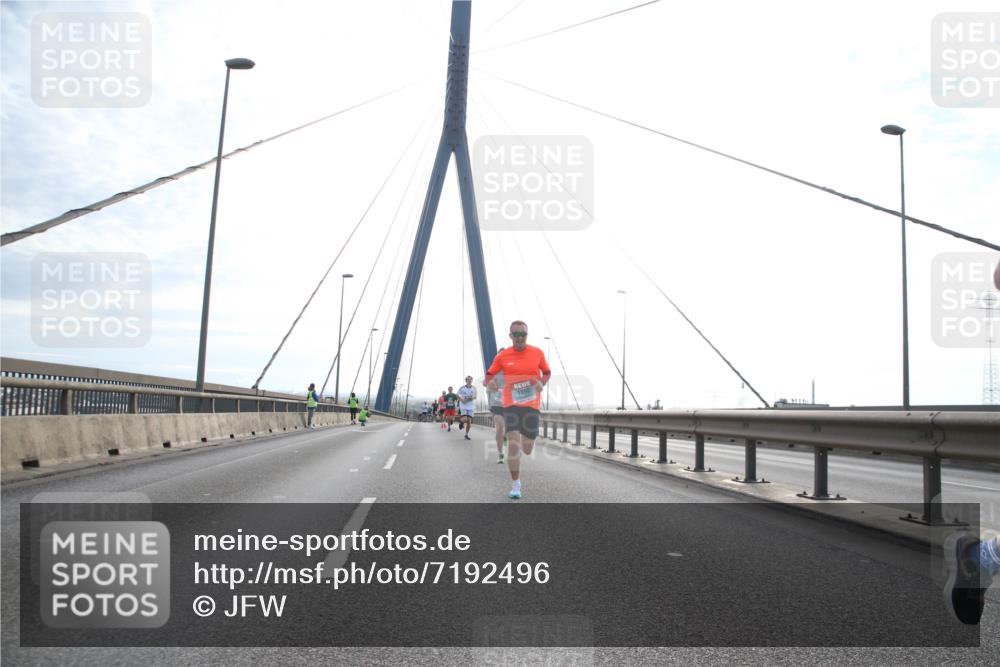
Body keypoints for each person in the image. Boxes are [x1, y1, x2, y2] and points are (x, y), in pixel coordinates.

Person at [484, 321, 550, 499]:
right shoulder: (503, 356)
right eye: (516, 334)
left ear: (527, 335)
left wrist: (541, 383)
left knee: (527, 448)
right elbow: (489, 376)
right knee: (513, 444)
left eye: (523, 334)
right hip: (510, 405)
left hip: (531, 406)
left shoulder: (537, 353)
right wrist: (488, 382)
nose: (520, 338)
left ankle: (521, 447)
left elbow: (547, 372)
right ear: (510, 335)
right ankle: (516, 485)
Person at [488, 350, 507, 464]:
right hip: (496, 405)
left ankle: (506, 436)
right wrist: (492, 386)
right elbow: (488, 387)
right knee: (500, 427)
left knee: (507, 429)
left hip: (510, 404)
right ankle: (500, 454)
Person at [457, 376, 477, 441]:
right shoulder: (462, 388)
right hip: (463, 405)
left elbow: (475, 397)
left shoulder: (474, 388)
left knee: (469, 421)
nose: (470, 381)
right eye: (468, 380)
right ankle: (461, 422)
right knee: (465, 419)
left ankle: (466, 434)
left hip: (470, 406)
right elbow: (457, 395)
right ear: (466, 380)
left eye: (471, 380)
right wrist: (461, 400)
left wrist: (471, 398)